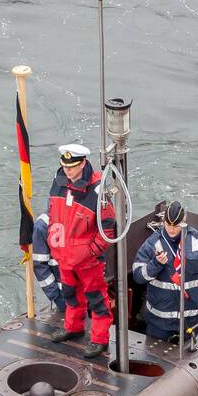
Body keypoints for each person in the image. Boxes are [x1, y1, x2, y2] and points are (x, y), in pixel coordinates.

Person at [43, 143, 116, 359]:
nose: (67, 170)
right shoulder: (58, 184)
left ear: (82, 163)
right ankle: (73, 327)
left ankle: (100, 339)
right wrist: (52, 239)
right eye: (65, 166)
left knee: (97, 300)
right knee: (70, 295)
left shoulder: (97, 191)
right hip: (64, 257)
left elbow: (108, 229)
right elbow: (52, 214)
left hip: (88, 261)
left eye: (72, 167)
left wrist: (90, 252)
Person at [132, 201, 198, 341]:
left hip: (191, 320)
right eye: (168, 224)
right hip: (159, 322)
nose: (172, 229)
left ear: (184, 221)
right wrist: (156, 264)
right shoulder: (152, 243)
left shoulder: (197, 241)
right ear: (163, 221)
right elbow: (138, 275)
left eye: (176, 226)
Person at [32, 211, 65, 316]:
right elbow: (40, 267)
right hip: (63, 295)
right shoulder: (42, 225)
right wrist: (57, 297)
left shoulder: (81, 213)